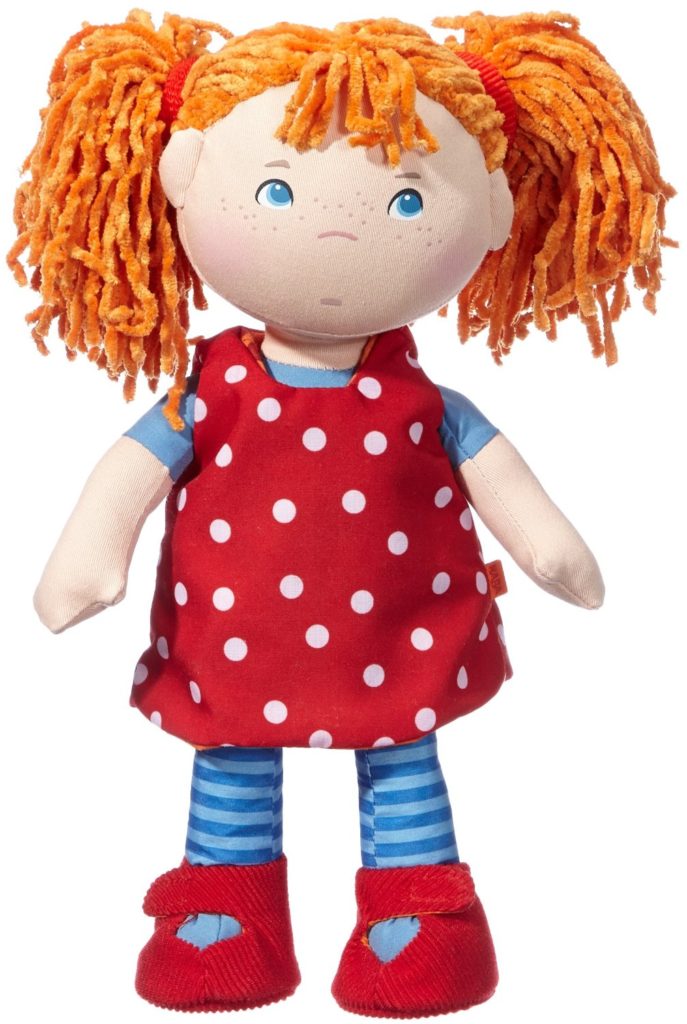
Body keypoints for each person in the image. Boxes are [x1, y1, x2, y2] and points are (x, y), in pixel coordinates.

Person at [7, 10, 675, 1017]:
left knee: (400, 750)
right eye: (274, 190)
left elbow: (509, 489)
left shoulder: (424, 403)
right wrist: (87, 559)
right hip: (235, 634)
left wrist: (553, 553)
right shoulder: (211, 391)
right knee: (233, 756)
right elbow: (129, 471)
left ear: (495, 212)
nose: (335, 229)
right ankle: (230, 914)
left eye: (409, 199)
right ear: (184, 177)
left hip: (396, 630)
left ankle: (420, 918)